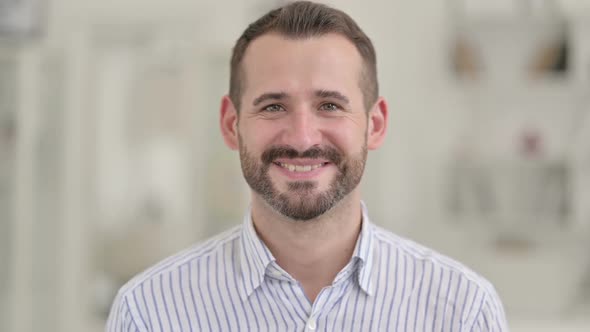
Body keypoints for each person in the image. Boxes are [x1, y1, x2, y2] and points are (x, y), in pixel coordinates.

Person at [106, 1, 508, 331]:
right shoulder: (150, 313)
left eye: (329, 106)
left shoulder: (462, 312)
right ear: (232, 125)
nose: (302, 137)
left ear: (376, 125)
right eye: (273, 106)